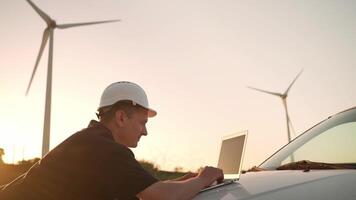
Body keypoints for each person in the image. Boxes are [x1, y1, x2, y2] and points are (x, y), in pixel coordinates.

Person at [0, 81, 223, 200]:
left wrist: (180, 183)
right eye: (142, 123)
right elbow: (161, 198)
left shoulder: (93, 141)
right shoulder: (104, 148)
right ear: (121, 117)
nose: (145, 132)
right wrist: (205, 177)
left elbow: (142, 193)